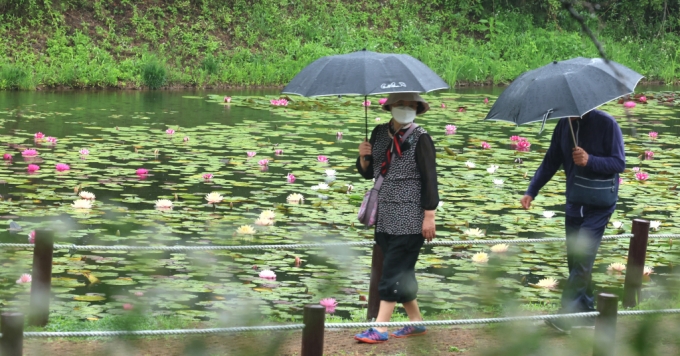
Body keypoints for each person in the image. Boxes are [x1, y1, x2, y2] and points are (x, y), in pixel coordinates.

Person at [520, 109, 625, 333]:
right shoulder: (563, 126)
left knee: (583, 257)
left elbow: (619, 163)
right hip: (575, 201)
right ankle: (586, 314)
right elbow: (551, 161)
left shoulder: (607, 124)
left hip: (600, 203)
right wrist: (532, 190)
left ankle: (566, 316)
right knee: (575, 260)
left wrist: (590, 160)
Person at [353, 92, 439, 344]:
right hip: (385, 214)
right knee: (403, 273)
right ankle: (416, 323)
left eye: (411, 105)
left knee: (391, 272)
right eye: (401, 104)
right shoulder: (379, 133)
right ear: (390, 106)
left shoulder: (421, 138)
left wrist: (429, 215)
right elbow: (368, 174)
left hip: (411, 216)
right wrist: (362, 156)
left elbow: (430, 179)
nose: (406, 108)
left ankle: (380, 328)